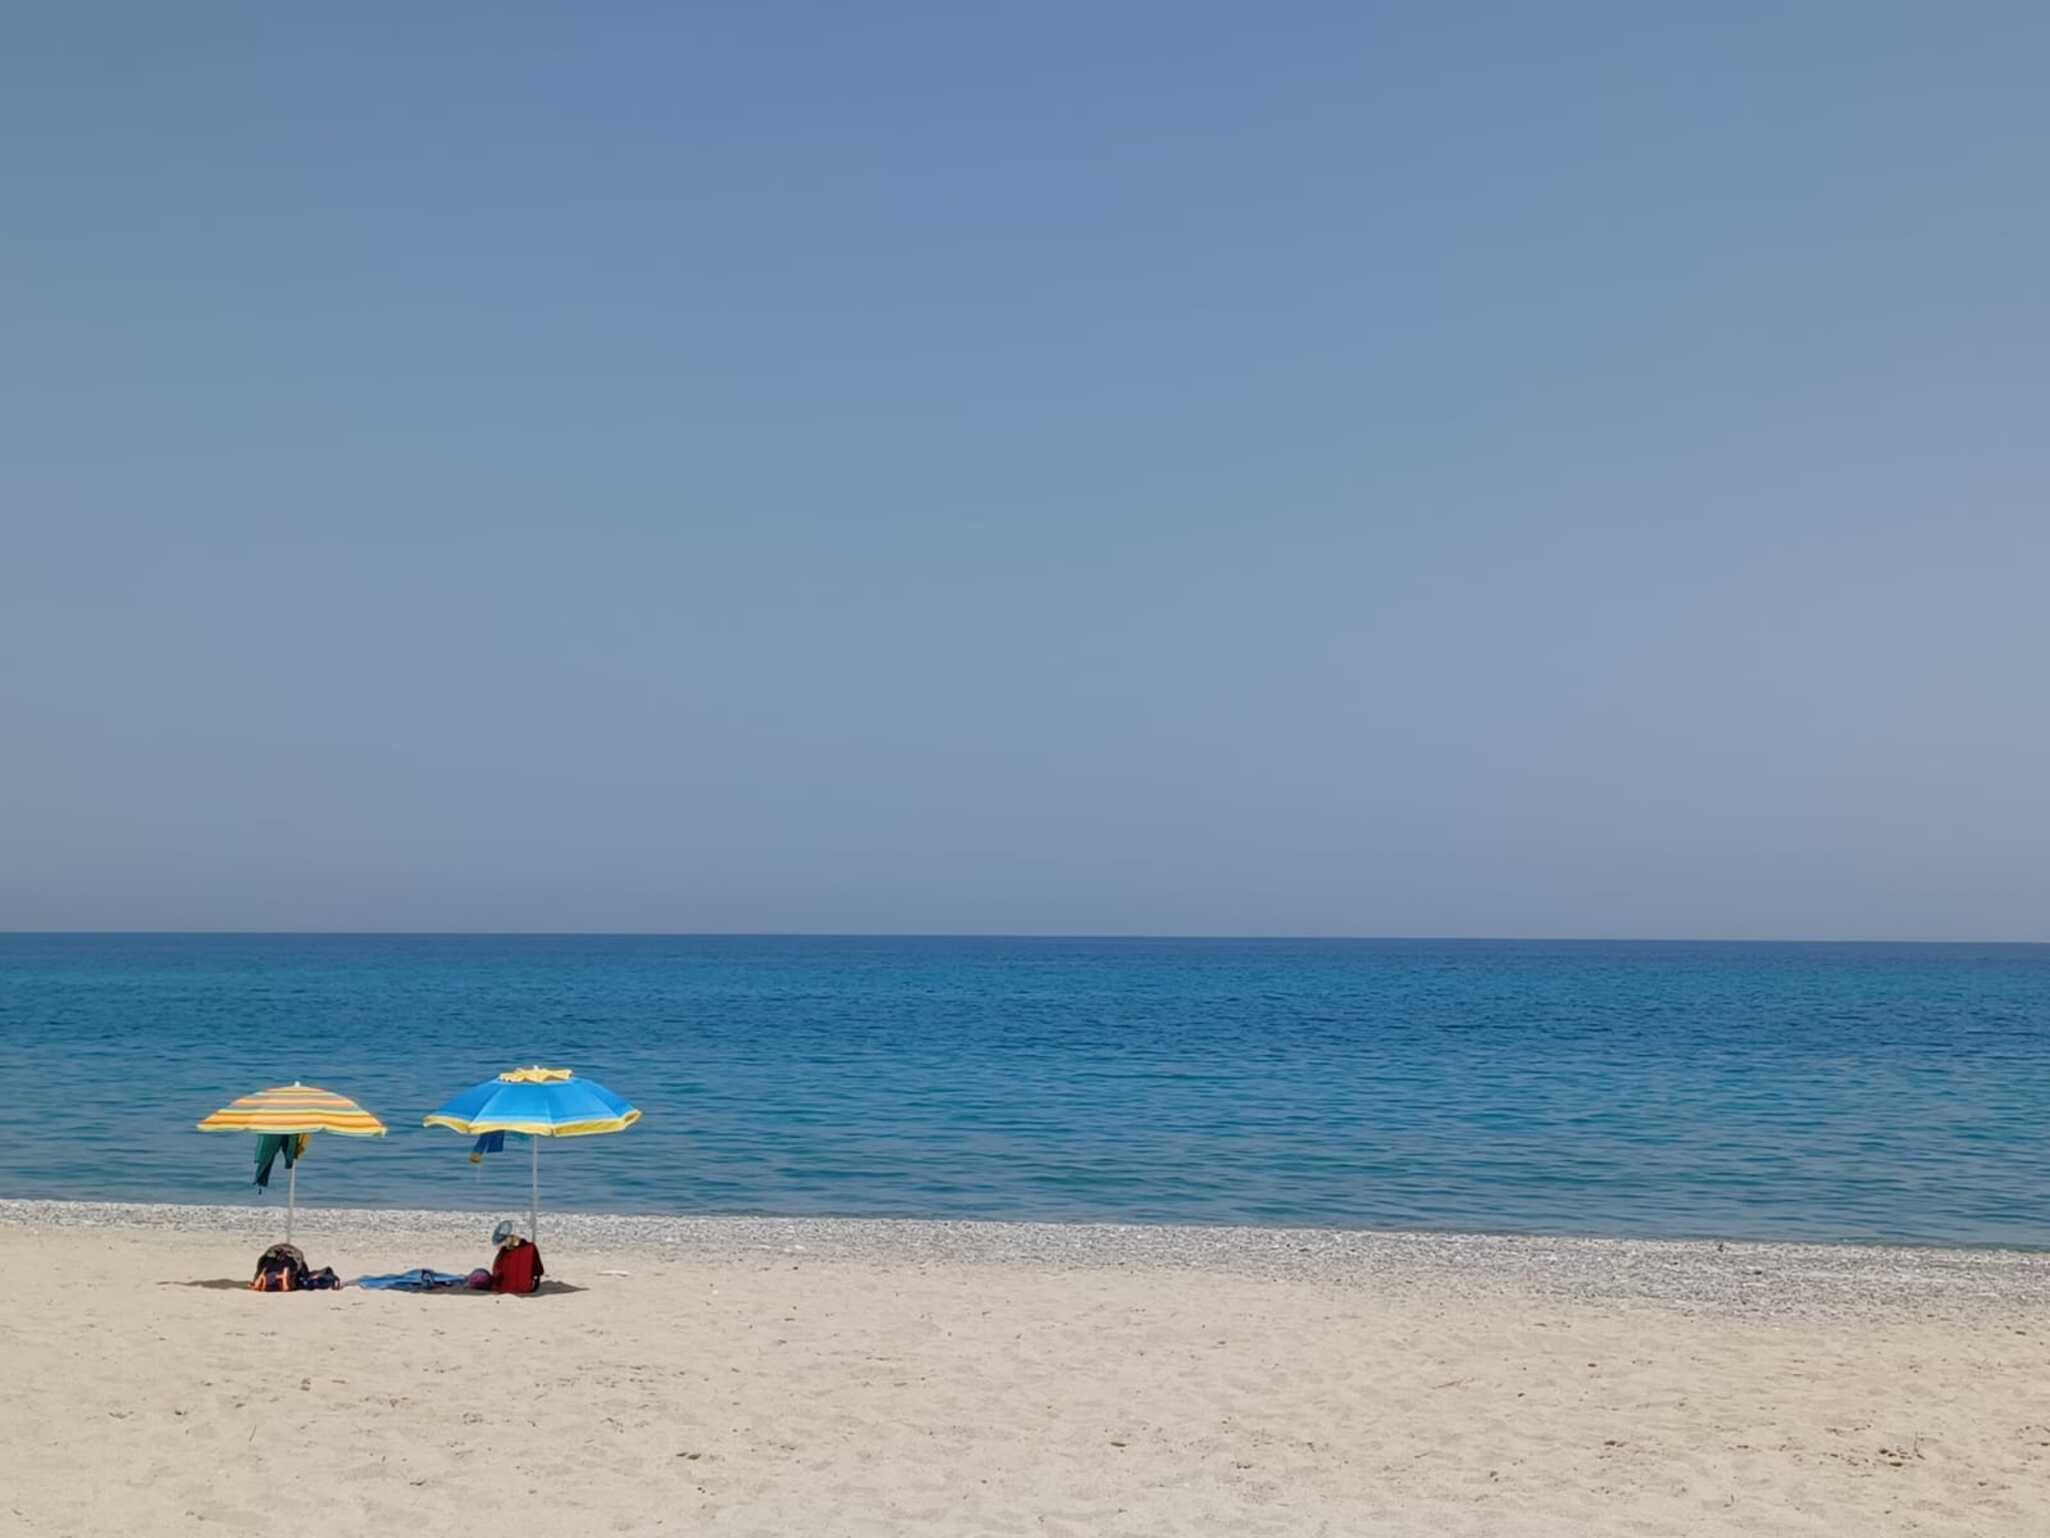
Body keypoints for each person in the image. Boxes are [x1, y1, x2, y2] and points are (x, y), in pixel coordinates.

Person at [488, 1218, 545, 1294]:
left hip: (508, 1287)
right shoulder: (530, 1248)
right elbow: (539, 1271)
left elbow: (496, 1271)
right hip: (530, 1287)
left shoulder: (504, 1252)